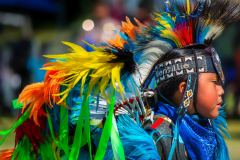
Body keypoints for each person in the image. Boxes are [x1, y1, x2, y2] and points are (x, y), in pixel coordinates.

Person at [0, 0, 240, 159]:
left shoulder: (209, 137)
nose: (222, 90)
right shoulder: (157, 138)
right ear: (184, 88)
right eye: (214, 82)